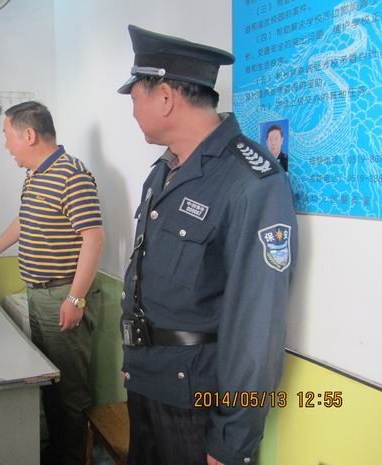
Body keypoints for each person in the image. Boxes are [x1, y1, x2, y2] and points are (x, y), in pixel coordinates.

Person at [117, 25, 298, 465]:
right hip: (147, 383)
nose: (132, 111)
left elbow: (257, 325)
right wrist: (134, 363)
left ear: (165, 97)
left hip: (197, 404)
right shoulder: (162, 174)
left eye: (135, 96)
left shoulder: (251, 182)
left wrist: (233, 439)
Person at [0, 101, 104, 465]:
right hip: (40, 294)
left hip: (63, 295)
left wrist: (75, 300)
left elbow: (93, 239)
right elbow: (25, 219)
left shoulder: (72, 175)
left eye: (8, 137)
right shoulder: (36, 174)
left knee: (69, 392)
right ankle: (58, 452)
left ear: (29, 135)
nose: (7, 146)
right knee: (51, 383)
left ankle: (71, 458)